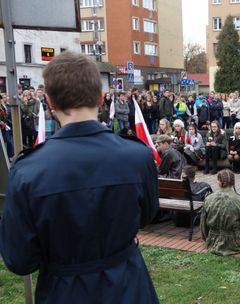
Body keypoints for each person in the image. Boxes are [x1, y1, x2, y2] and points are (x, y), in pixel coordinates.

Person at [0, 52, 159, 303]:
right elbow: (147, 215)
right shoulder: (137, 156)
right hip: (128, 287)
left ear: (50, 102)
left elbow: (20, 260)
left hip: (63, 292)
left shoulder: (27, 171)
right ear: (99, 97)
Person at [201, 169, 240, 256]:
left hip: (213, 242)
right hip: (236, 244)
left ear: (218, 181)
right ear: (233, 182)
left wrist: (207, 239)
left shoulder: (208, 199)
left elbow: (203, 226)